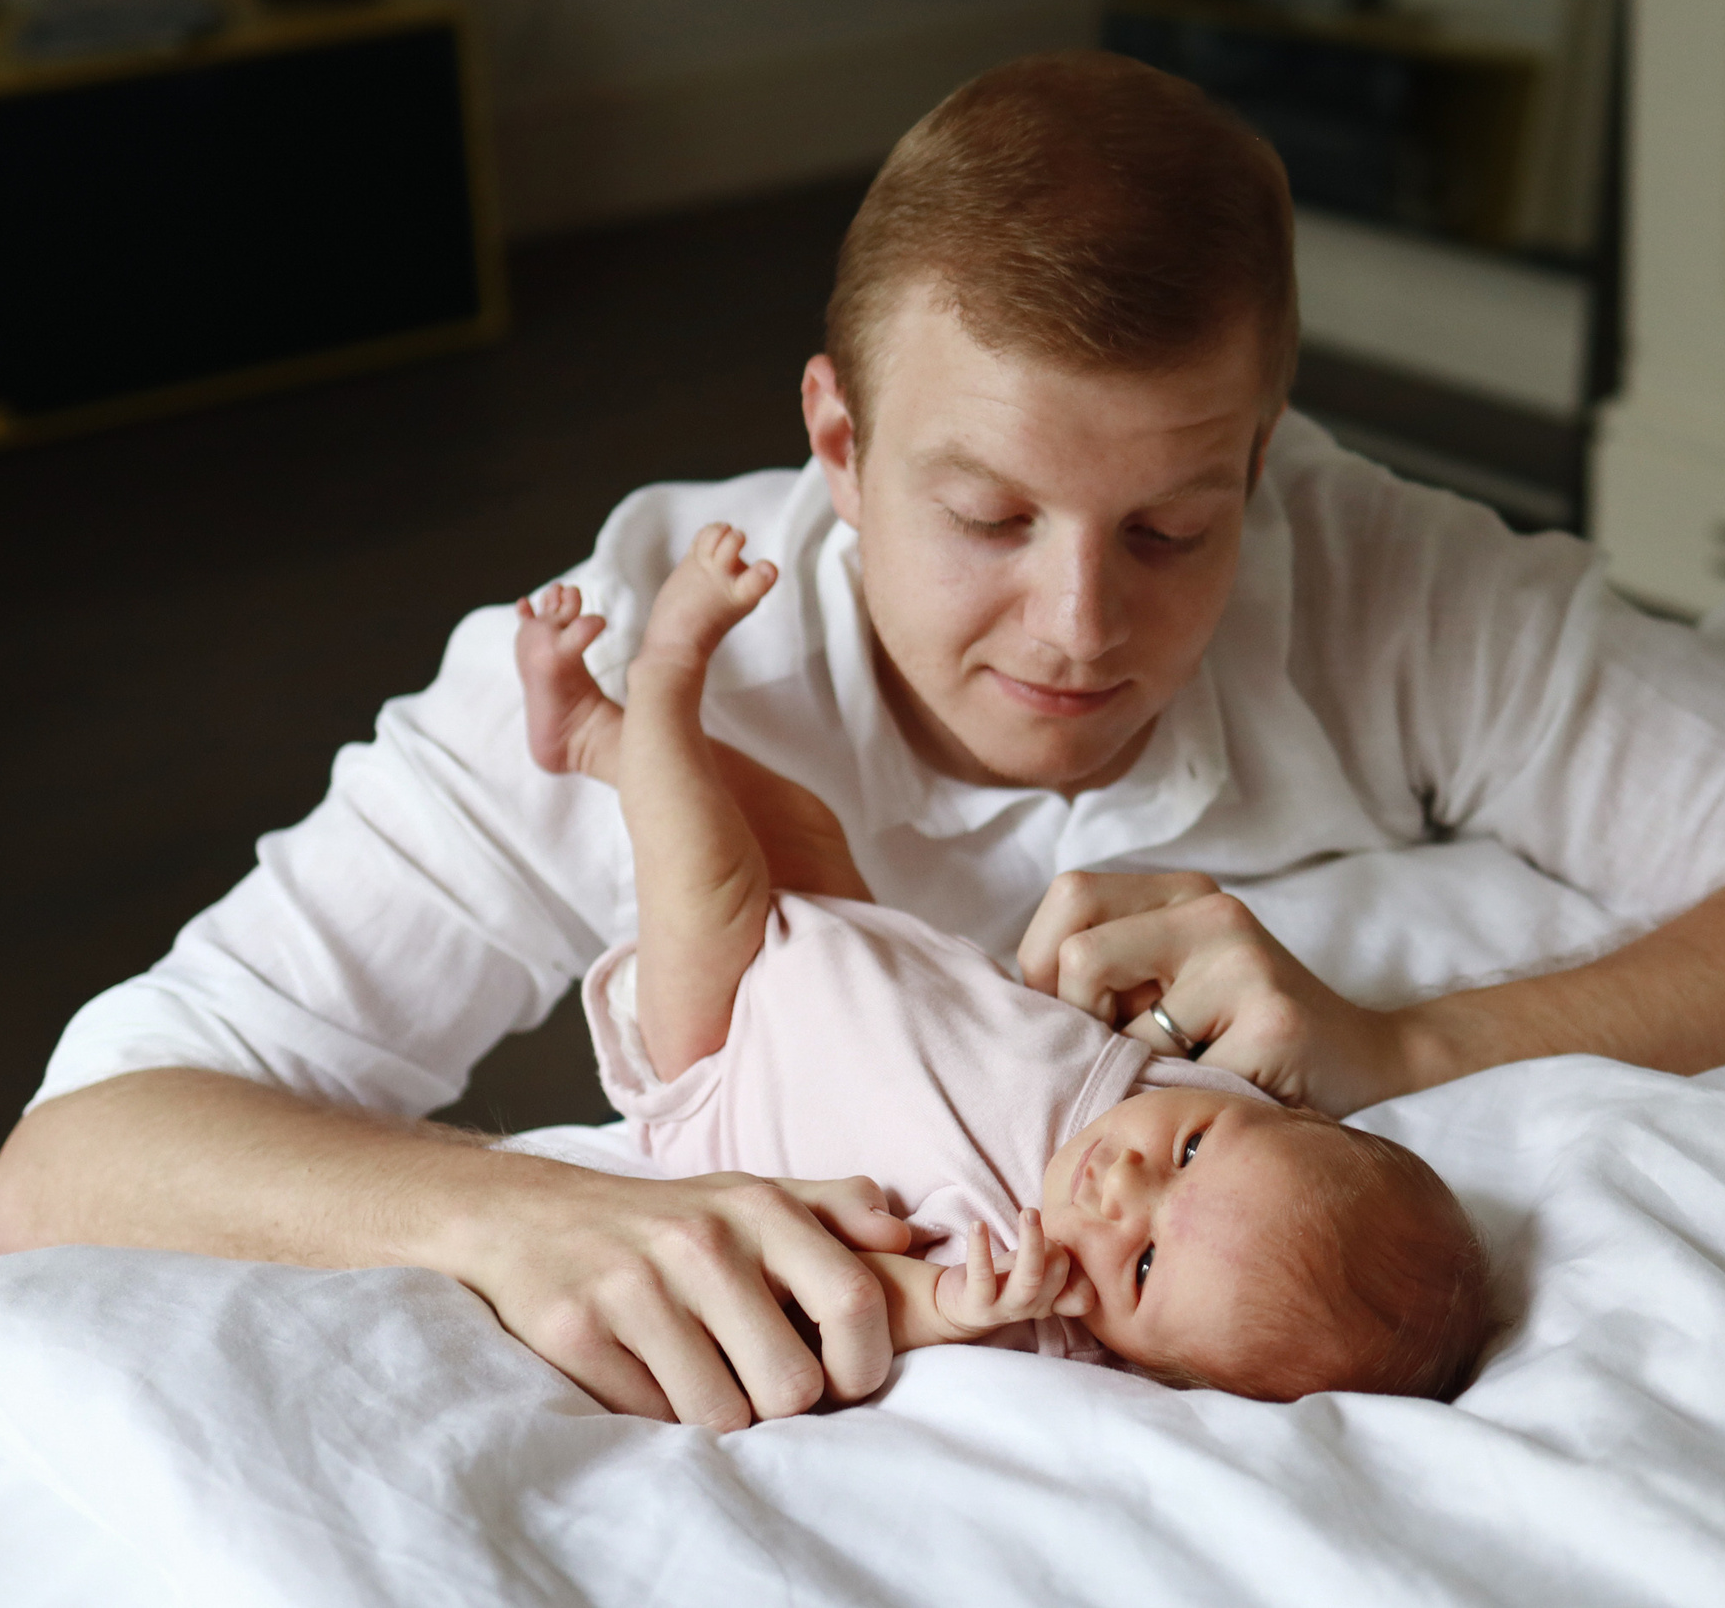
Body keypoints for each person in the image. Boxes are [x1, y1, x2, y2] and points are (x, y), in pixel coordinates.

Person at [0, 51, 1725, 1433]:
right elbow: (72, 1159)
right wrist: (507, 1218)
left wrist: (1406, 1054)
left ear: (1266, 458)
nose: (1080, 628)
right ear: (834, 437)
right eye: (984, 515)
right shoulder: (630, 654)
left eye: (1174, 524)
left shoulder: (1374, 573)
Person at [515, 526, 1487, 1401]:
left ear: (1152, 1365)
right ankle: (591, 738)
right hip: (850, 945)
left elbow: (852, 1296)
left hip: (730, 1058)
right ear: (1282, 1116)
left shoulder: (1034, 1299)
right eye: (1190, 1152)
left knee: (705, 869)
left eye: (1143, 1266)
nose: (1125, 1185)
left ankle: (661, 680)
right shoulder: (1193, 1081)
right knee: (790, 819)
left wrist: (945, 1304)